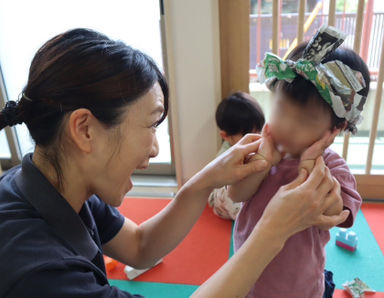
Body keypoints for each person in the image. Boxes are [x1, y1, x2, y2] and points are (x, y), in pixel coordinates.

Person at [0, 28, 349, 298]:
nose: (154, 148)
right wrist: (273, 230)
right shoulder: (37, 272)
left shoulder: (57, 184)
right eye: (151, 124)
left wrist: (206, 180)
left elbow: (139, 247)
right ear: (85, 129)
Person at [229, 25, 370, 298]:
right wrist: (262, 163)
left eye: (304, 120)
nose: (286, 126)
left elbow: (333, 214)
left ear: (334, 129)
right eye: (280, 109)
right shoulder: (261, 147)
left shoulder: (332, 169)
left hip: (298, 287)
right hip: (247, 276)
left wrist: (308, 166)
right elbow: (237, 194)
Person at [208, 92, 265, 220]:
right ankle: (250, 220)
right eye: (247, 133)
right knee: (233, 197)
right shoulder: (226, 155)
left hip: (245, 190)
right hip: (222, 197)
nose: (256, 136)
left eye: (259, 130)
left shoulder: (259, 143)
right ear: (226, 136)